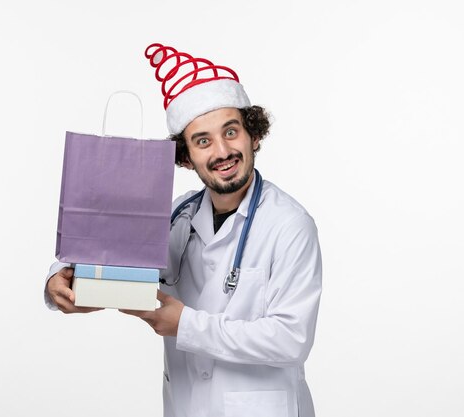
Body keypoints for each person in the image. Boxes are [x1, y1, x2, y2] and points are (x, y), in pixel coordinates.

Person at [44, 43, 322, 417]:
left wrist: (186, 325)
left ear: (254, 135)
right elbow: (115, 252)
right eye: (202, 141)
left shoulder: (289, 225)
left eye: (231, 132)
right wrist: (58, 280)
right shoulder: (178, 216)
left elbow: (292, 339)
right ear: (186, 158)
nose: (222, 151)